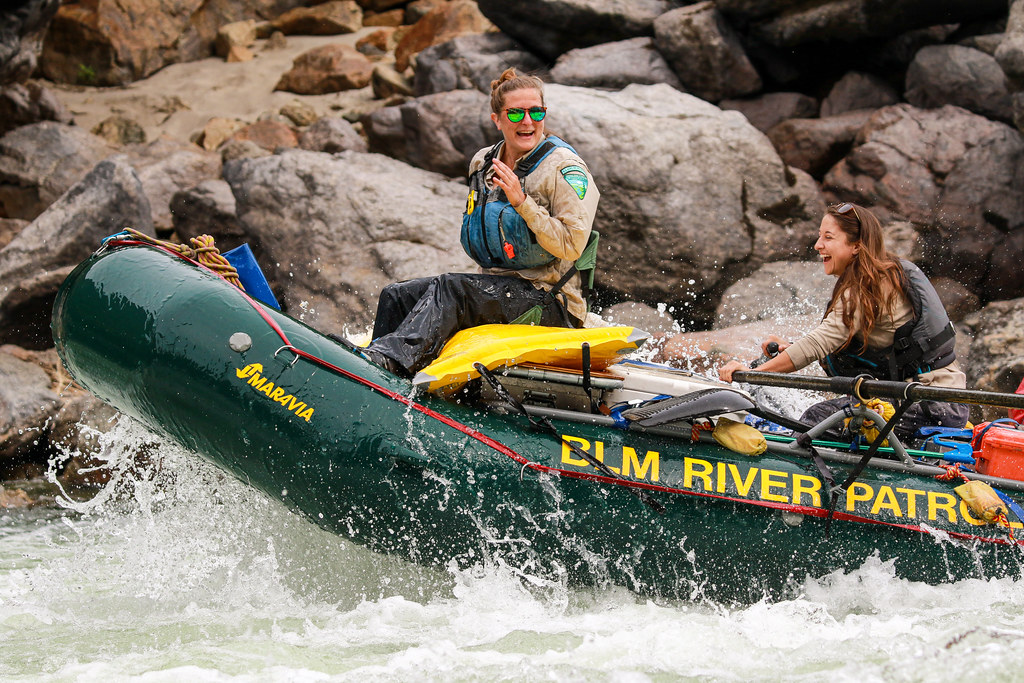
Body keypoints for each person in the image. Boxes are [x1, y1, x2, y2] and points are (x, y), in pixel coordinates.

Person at [362, 68, 601, 377]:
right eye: (515, 114)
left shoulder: (564, 168)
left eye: (536, 112)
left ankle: (392, 362)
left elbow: (571, 246)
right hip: (499, 288)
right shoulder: (483, 163)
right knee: (397, 294)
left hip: (550, 302)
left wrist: (522, 202)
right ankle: (372, 368)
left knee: (453, 288)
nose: (527, 122)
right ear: (497, 119)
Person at [718, 202, 969, 440]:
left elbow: (820, 342)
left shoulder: (870, 285)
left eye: (828, 237)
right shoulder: (875, 276)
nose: (818, 245)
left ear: (857, 246)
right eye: (819, 236)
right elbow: (839, 343)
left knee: (816, 419)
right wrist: (790, 347)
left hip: (930, 403)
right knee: (819, 416)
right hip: (924, 400)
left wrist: (752, 374)